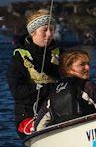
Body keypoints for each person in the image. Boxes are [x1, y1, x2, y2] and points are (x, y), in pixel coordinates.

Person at [6, 9, 61, 137]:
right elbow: (18, 92)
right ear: (33, 32)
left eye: (52, 30)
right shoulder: (20, 57)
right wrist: (45, 89)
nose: (49, 34)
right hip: (29, 115)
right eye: (44, 30)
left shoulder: (60, 54)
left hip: (58, 110)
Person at [34, 49, 96, 130]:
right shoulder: (87, 87)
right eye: (82, 64)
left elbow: (38, 126)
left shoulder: (53, 92)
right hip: (89, 132)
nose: (88, 67)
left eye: (88, 63)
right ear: (68, 68)